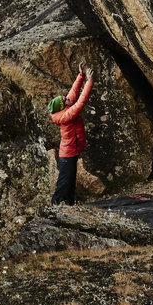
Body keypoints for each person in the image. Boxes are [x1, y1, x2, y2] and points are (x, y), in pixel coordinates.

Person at [48, 64, 94, 205]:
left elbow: (73, 93)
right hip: (67, 154)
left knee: (70, 180)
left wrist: (81, 76)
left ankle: (69, 204)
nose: (68, 98)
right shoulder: (66, 115)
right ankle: (55, 205)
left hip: (71, 151)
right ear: (63, 106)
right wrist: (89, 82)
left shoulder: (64, 108)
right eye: (65, 99)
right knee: (64, 182)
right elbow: (80, 102)